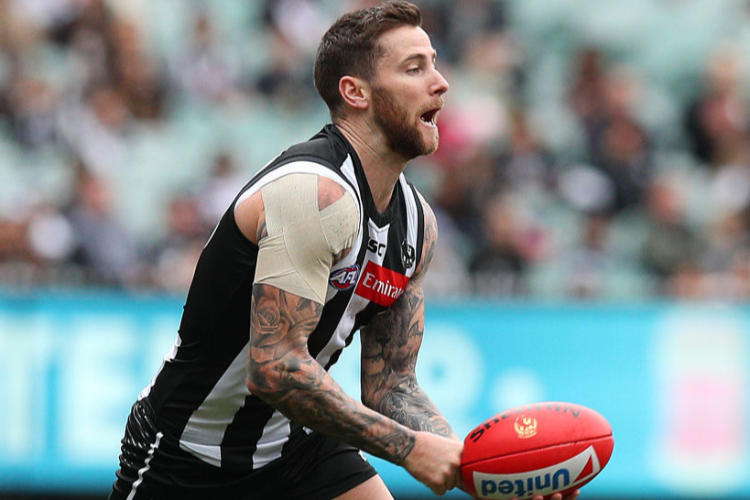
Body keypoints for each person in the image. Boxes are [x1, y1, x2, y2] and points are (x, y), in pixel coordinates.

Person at [110, 2, 579, 499]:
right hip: (188, 455)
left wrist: (482, 469)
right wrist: (410, 448)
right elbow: (274, 368)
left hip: (297, 449)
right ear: (355, 92)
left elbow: (391, 387)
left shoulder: (418, 225)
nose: (441, 83)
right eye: (414, 68)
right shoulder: (314, 192)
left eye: (435, 64)